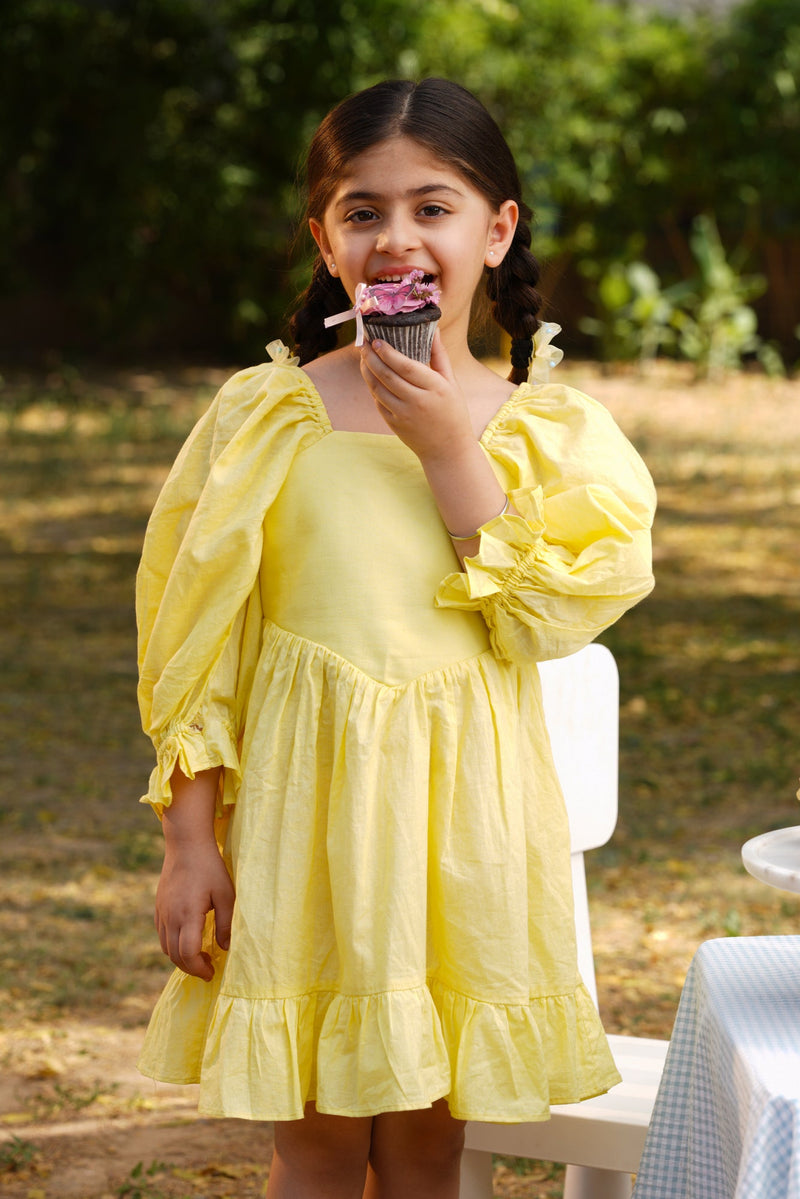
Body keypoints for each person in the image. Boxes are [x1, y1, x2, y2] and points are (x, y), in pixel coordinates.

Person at [136, 77, 656, 1199]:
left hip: (459, 838)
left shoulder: (545, 431)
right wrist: (189, 839)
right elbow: (195, 641)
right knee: (319, 1141)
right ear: (325, 241)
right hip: (304, 831)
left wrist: (448, 447)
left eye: (432, 207)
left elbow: (543, 616)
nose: (397, 238)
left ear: (495, 230)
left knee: (426, 1146)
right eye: (362, 212)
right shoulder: (265, 418)